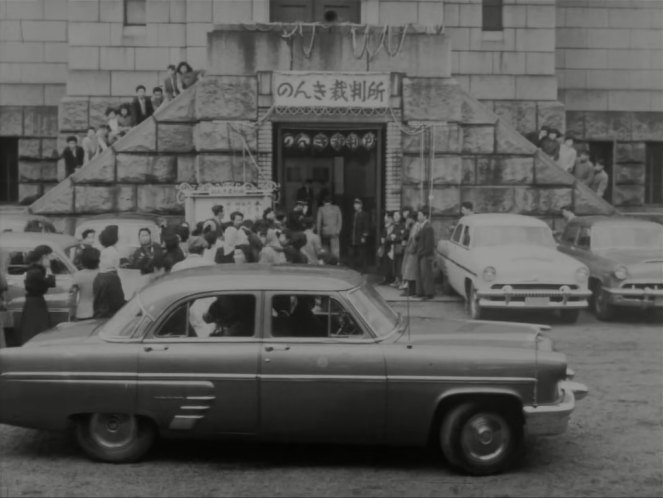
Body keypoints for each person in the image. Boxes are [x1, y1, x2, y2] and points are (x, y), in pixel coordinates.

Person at [18, 245, 56, 345]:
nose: (51, 258)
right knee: (37, 327)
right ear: (44, 257)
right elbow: (51, 283)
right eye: (49, 256)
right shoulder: (36, 272)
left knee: (32, 327)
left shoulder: (34, 270)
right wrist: (48, 268)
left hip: (33, 302)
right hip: (36, 303)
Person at [93, 248, 125, 319]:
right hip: (109, 317)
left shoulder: (98, 276)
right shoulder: (112, 277)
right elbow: (118, 302)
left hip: (99, 315)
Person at [69, 246, 100, 321]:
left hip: (82, 313)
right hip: (99, 313)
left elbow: (72, 299)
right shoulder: (102, 274)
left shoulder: (78, 276)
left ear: (82, 261)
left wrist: (72, 314)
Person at [415, 209, 435, 300]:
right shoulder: (422, 226)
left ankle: (428, 293)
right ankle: (420, 292)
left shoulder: (428, 227)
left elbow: (429, 244)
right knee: (420, 274)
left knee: (426, 274)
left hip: (425, 254)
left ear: (425, 216)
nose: (418, 217)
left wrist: (423, 253)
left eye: (420, 215)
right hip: (421, 253)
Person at [316, 194, 342, 259]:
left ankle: (326, 261)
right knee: (335, 249)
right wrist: (338, 230)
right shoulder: (337, 208)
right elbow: (340, 220)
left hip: (325, 232)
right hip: (334, 231)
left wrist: (318, 234)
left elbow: (318, 222)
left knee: (325, 248)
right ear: (331, 201)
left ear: (323, 202)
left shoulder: (321, 209)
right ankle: (336, 262)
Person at [400, 212, 420, 296]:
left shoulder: (416, 226)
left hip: (412, 252)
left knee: (410, 272)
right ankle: (409, 289)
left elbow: (414, 239)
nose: (407, 220)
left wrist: (412, 248)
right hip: (410, 251)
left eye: (408, 218)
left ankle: (411, 291)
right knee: (408, 271)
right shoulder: (412, 226)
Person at [350, 198, 370, 274]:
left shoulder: (364, 215)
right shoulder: (354, 215)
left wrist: (364, 236)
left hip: (360, 237)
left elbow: (366, 227)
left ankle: (363, 270)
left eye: (357, 204)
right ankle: (354, 269)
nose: (355, 205)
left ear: (361, 205)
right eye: (354, 204)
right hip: (353, 238)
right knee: (353, 254)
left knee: (362, 254)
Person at [378, 211, 396, 285]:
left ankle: (391, 279)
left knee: (390, 263)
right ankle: (386, 278)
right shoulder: (386, 226)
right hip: (385, 246)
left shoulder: (393, 226)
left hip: (390, 246)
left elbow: (391, 236)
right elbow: (383, 234)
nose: (385, 218)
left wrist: (385, 239)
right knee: (385, 263)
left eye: (387, 217)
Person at [390, 210, 406, 288]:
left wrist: (396, 237)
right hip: (394, 246)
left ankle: (401, 281)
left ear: (400, 216)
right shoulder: (394, 225)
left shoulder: (402, 225)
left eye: (397, 215)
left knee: (400, 264)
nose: (395, 217)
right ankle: (397, 280)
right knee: (395, 264)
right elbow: (390, 235)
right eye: (394, 215)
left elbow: (403, 236)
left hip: (400, 247)